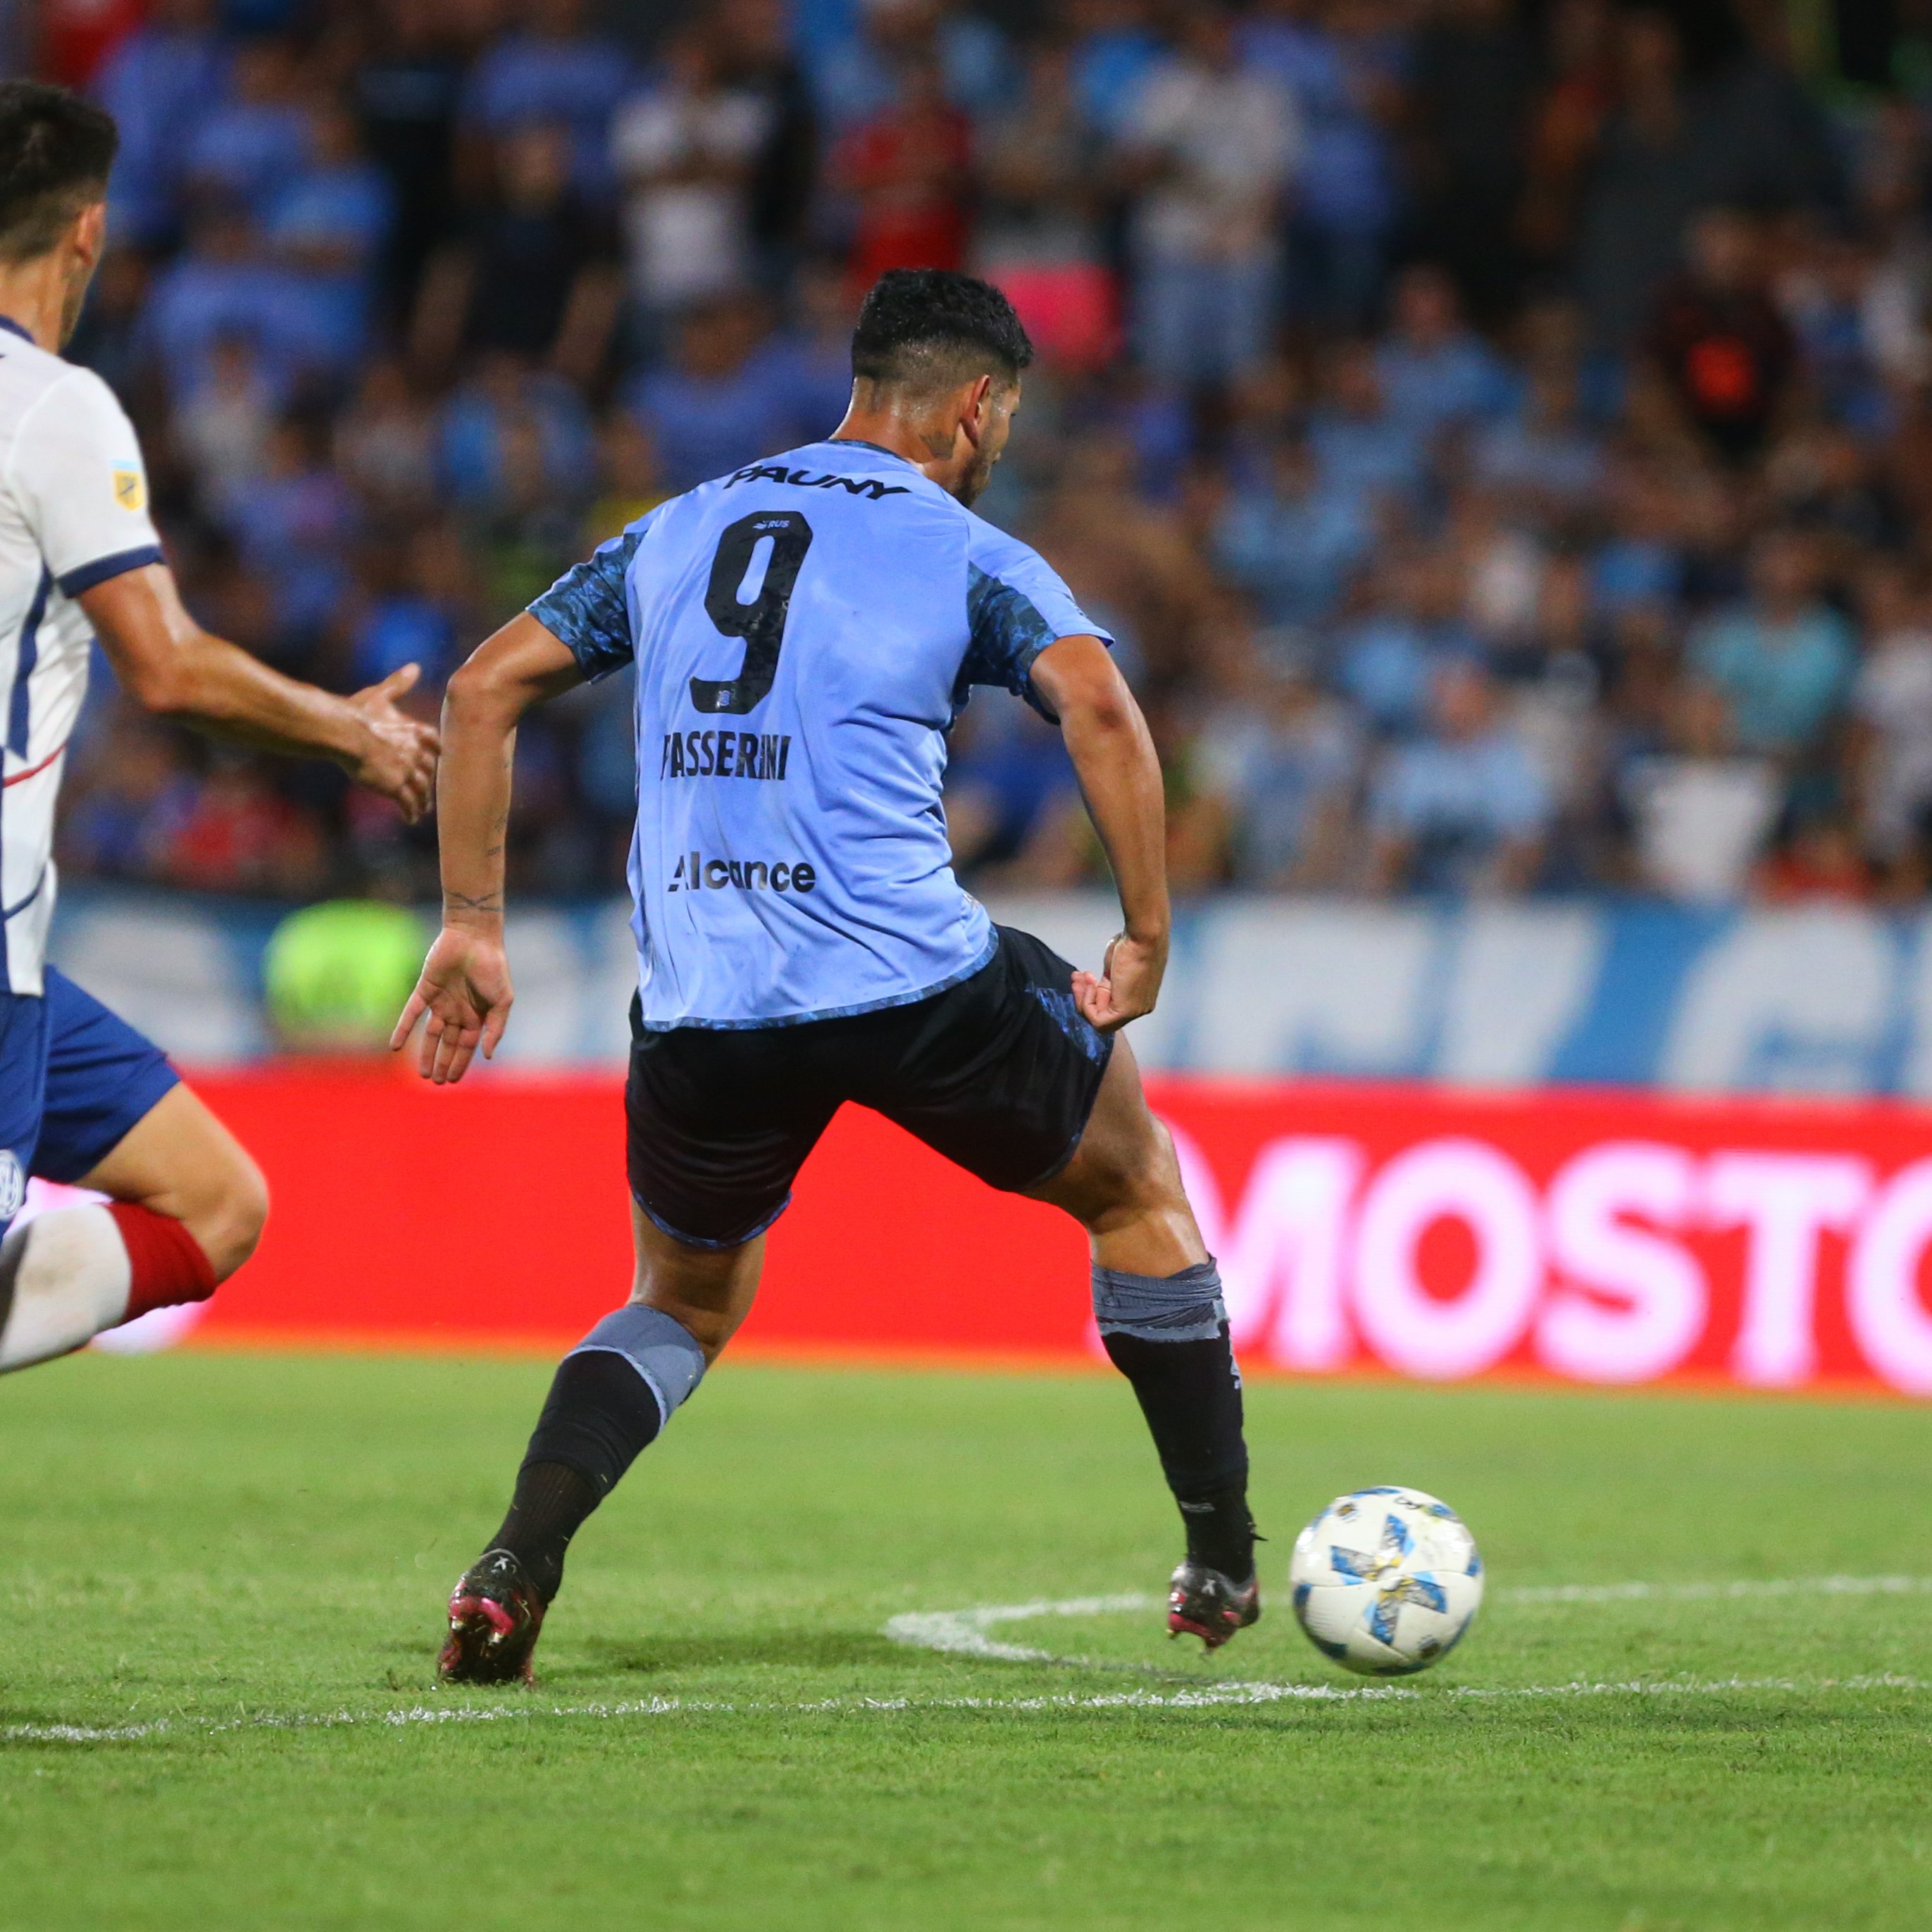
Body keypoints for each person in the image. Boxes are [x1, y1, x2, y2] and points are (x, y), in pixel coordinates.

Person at [394, 268, 1259, 1683]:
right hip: (913, 988)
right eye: (1011, 415)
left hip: (703, 1006)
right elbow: (1097, 701)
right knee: (1133, 1189)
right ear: (976, 404)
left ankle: (514, 1562)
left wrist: (473, 921)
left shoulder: (679, 527)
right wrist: (1146, 933)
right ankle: (1218, 1548)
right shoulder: (961, 545)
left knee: (677, 1302)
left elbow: (484, 685)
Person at [0, 82, 438, 1376]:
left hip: (24, 947)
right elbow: (170, 666)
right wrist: (351, 734)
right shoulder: (52, 406)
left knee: (215, 1198)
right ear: (88, 233)